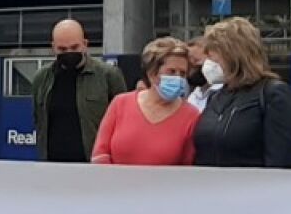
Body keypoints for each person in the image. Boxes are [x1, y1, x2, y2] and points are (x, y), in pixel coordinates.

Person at [190, 17, 291, 169]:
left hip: (253, 189)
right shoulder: (215, 97)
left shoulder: (274, 94)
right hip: (212, 189)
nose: (207, 63)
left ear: (233, 54)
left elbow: (283, 160)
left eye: (211, 55)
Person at [92, 37, 200, 167]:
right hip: (116, 185)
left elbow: (188, 166)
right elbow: (100, 154)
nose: (177, 78)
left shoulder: (191, 116)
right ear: (152, 73)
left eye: (182, 73)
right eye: (171, 71)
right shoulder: (120, 104)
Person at [30, 19, 127, 162]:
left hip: (95, 165)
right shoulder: (41, 78)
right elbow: (38, 120)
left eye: (74, 47)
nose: (69, 52)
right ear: (53, 48)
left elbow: (123, 123)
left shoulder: (109, 75)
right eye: (62, 49)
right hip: (52, 166)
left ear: (85, 44)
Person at [185, 37, 217, 112]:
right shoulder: (194, 95)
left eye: (196, 60)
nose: (192, 66)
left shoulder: (221, 94)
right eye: (188, 64)